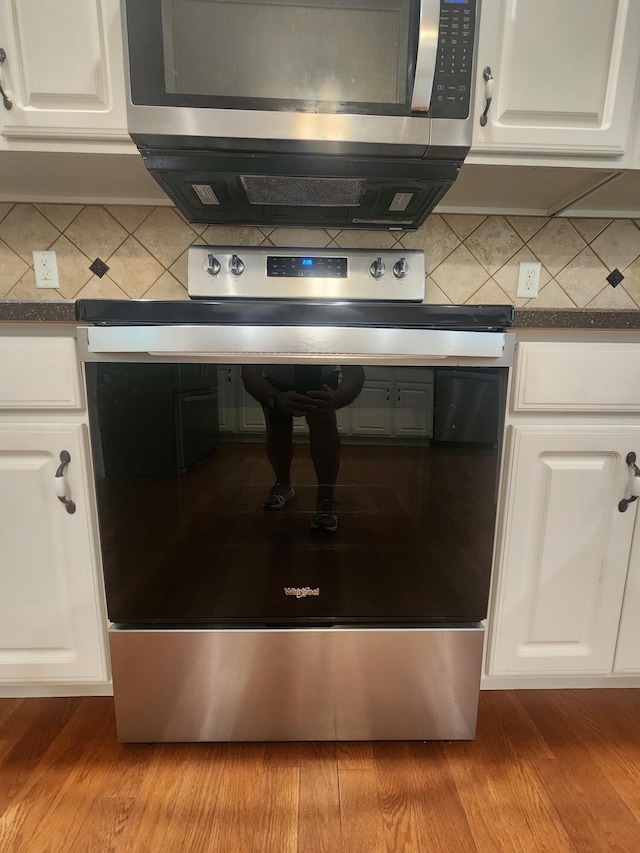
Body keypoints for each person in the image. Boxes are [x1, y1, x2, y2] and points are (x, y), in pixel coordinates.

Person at [240, 364, 365, 532]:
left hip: (318, 374)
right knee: (277, 427)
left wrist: (337, 399)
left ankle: (326, 498)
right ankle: (283, 483)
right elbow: (249, 373)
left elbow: (355, 373)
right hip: (276, 379)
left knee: (323, 425)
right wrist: (274, 399)